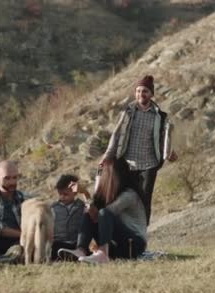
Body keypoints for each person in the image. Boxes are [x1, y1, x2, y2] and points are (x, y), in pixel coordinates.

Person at [100, 75, 178, 226]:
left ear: (151, 94)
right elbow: (116, 135)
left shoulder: (160, 116)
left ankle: (141, 239)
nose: (141, 94)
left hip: (149, 166)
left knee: (144, 202)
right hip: (127, 164)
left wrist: (169, 152)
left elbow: (163, 138)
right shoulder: (127, 112)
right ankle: (124, 237)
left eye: (145, 91)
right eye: (138, 91)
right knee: (121, 200)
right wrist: (107, 155)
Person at [59, 158, 147, 264]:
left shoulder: (129, 195)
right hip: (118, 246)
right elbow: (93, 215)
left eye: (103, 175)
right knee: (88, 214)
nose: (101, 179)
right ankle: (81, 250)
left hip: (134, 245)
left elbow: (102, 216)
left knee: (104, 213)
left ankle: (103, 254)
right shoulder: (110, 195)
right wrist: (86, 193)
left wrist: (86, 194)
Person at [51, 174, 89, 260]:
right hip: (58, 242)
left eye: (65, 194)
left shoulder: (81, 206)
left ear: (75, 192)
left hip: (75, 244)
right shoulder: (53, 207)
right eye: (60, 194)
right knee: (55, 247)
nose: (62, 197)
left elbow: (91, 209)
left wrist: (85, 193)